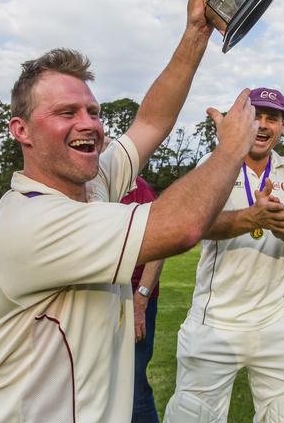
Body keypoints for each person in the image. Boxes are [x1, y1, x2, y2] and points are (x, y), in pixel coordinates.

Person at [0, 0, 260, 422]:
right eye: (66, 113)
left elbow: (151, 121)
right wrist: (231, 150)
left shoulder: (91, 186)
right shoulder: (31, 222)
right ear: (21, 131)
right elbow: (181, 225)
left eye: (93, 112)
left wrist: (196, 32)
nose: (89, 124)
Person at [163, 87, 284, 423]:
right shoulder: (215, 162)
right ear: (242, 121)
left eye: (272, 118)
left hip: (277, 319)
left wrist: (277, 223)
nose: (263, 125)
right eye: (256, 116)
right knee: (194, 416)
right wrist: (252, 217)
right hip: (215, 319)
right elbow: (195, 223)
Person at [122, 176, 165, 423]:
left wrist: (141, 300)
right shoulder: (85, 188)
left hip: (135, 298)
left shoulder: (139, 189)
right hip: (97, 297)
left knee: (134, 384)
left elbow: (158, 249)